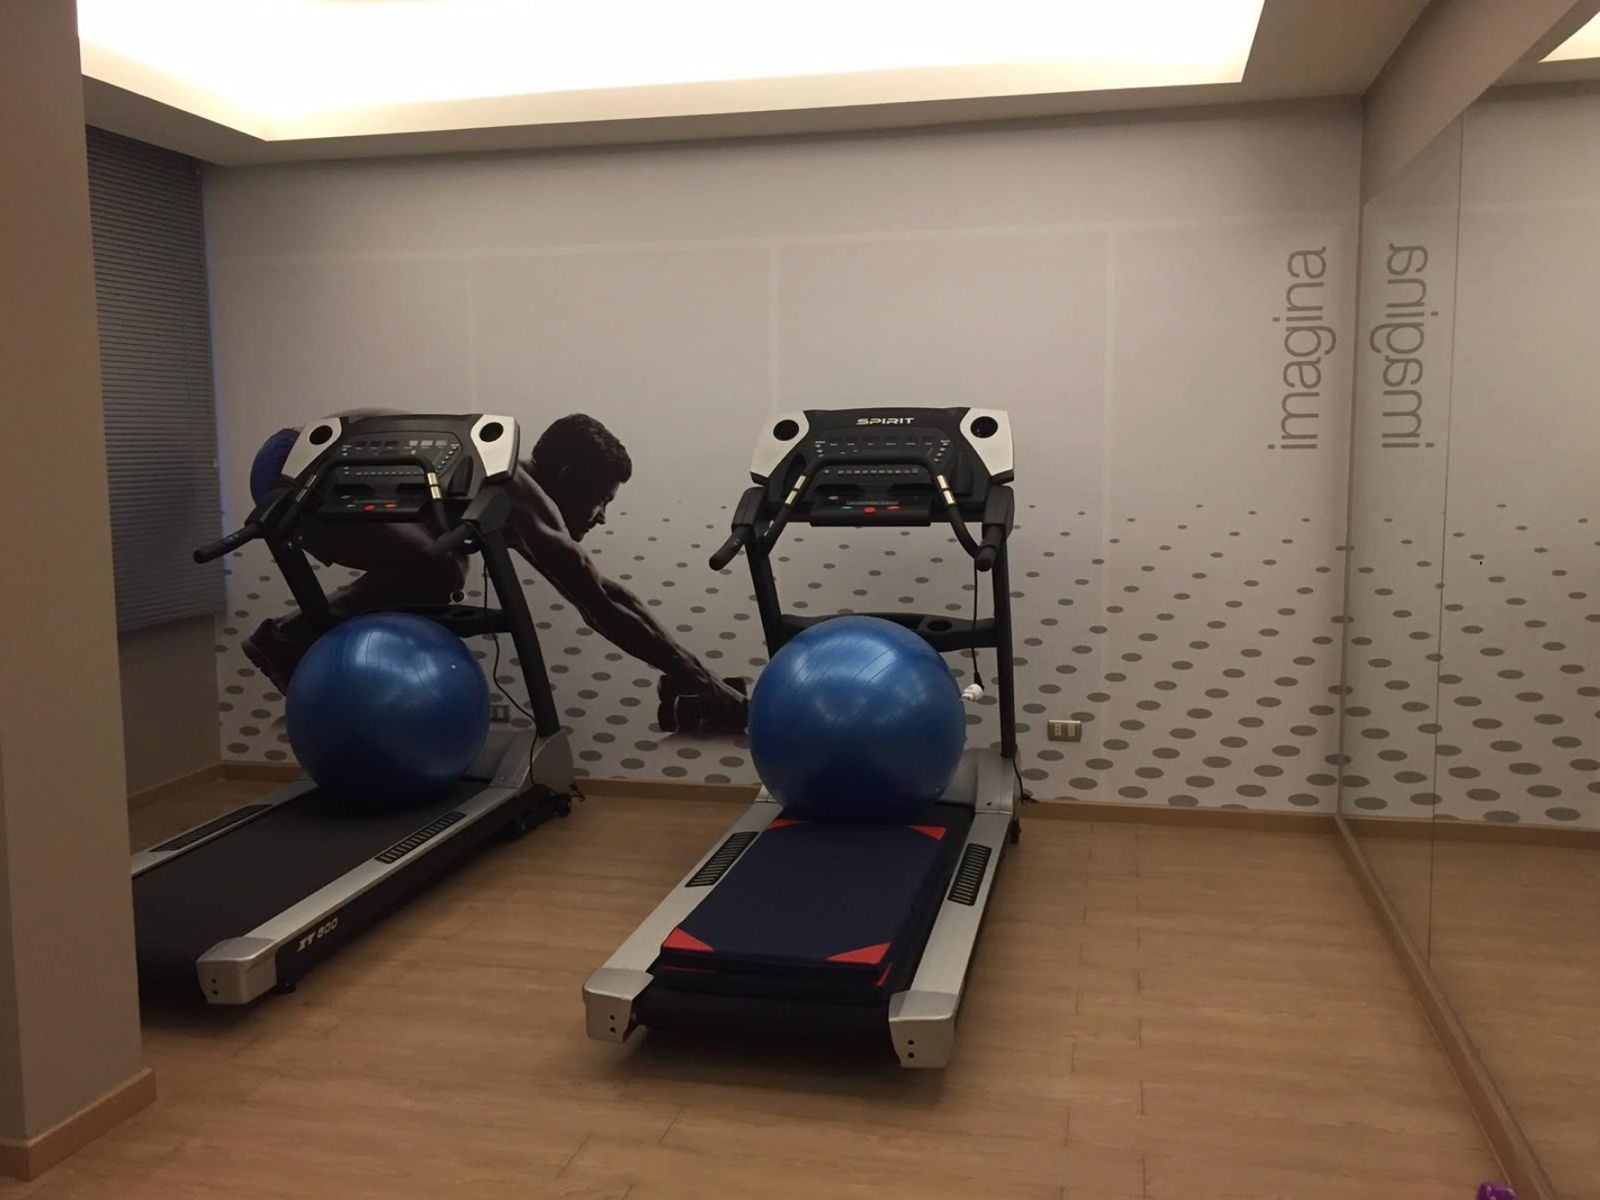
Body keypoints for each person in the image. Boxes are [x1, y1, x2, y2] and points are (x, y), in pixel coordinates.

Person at [242, 411, 747, 735]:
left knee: (446, 562)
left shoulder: (497, 490)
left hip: (309, 457)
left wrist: (690, 672)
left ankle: (298, 636)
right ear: (568, 476)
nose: (601, 517)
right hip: (298, 463)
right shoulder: (515, 488)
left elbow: (606, 592)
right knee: (438, 569)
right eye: (602, 500)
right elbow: (598, 603)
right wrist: (705, 683)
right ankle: (287, 635)